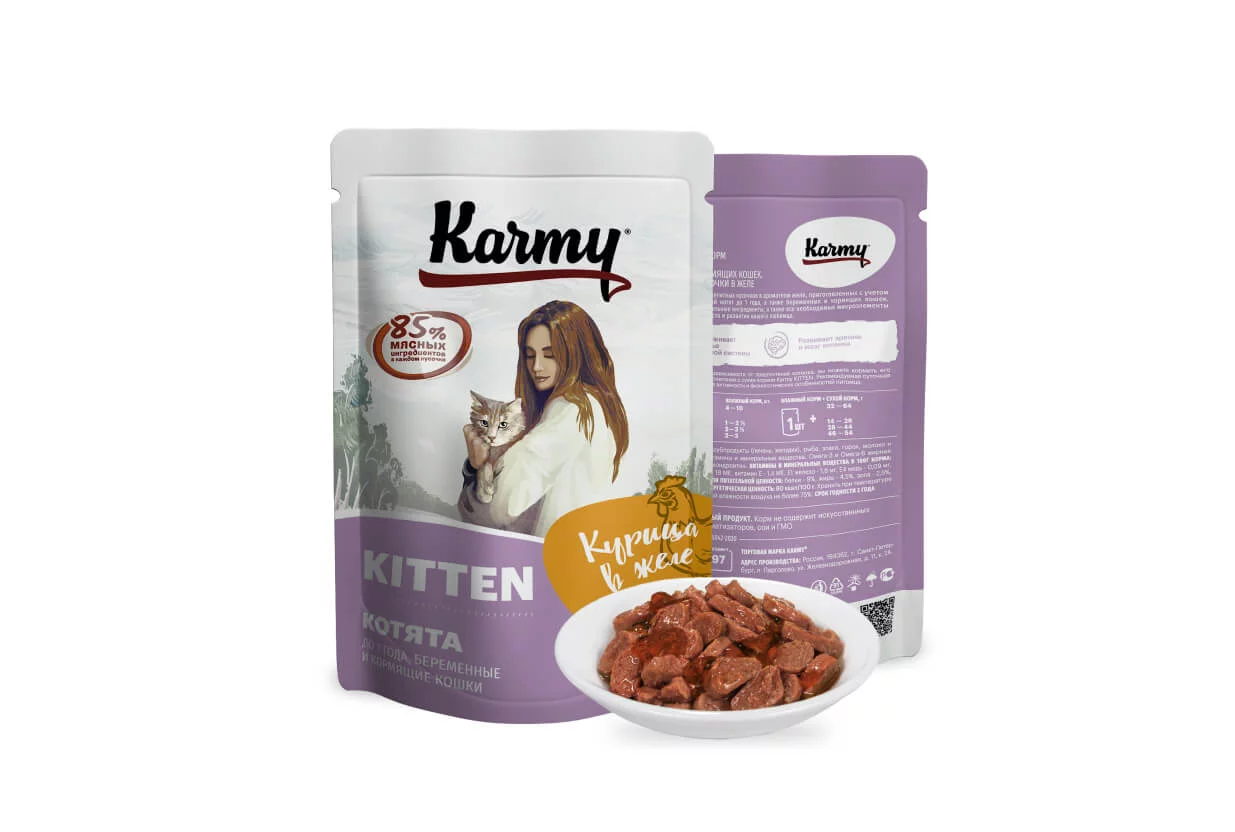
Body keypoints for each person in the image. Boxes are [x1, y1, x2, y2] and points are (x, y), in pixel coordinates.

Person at [459, 300, 629, 537]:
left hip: (555, 553)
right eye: (530, 356)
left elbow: (499, 509)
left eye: (550, 355)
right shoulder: (597, 407)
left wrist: (476, 468)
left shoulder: (571, 410)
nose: (537, 367)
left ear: (576, 354)